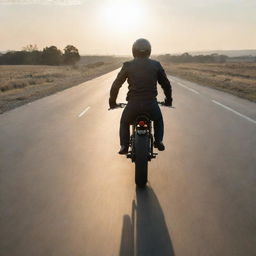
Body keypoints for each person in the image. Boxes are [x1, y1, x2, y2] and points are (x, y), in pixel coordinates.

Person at [109, 38, 173, 154]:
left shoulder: (128, 65)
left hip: (133, 105)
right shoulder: (156, 65)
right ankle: (158, 141)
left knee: (124, 122)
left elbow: (116, 85)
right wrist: (168, 100)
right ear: (149, 51)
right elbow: (166, 85)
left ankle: (124, 146)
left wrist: (112, 102)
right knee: (158, 119)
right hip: (151, 104)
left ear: (134, 51)